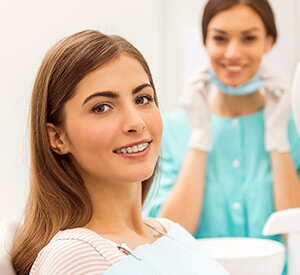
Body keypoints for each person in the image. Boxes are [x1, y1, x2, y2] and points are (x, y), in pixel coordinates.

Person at [10, 30, 229, 275]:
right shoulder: (73, 258)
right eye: (102, 107)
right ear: (58, 138)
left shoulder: (169, 232)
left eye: (143, 99)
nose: (135, 122)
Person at [145, 0, 300, 252]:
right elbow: (166, 243)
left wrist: (278, 139)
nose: (232, 53)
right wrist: (199, 139)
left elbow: (295, 236)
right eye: (220, 38)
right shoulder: (170, 131)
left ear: (269, 42)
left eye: (249, 38)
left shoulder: (294, 129)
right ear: (205, 42)